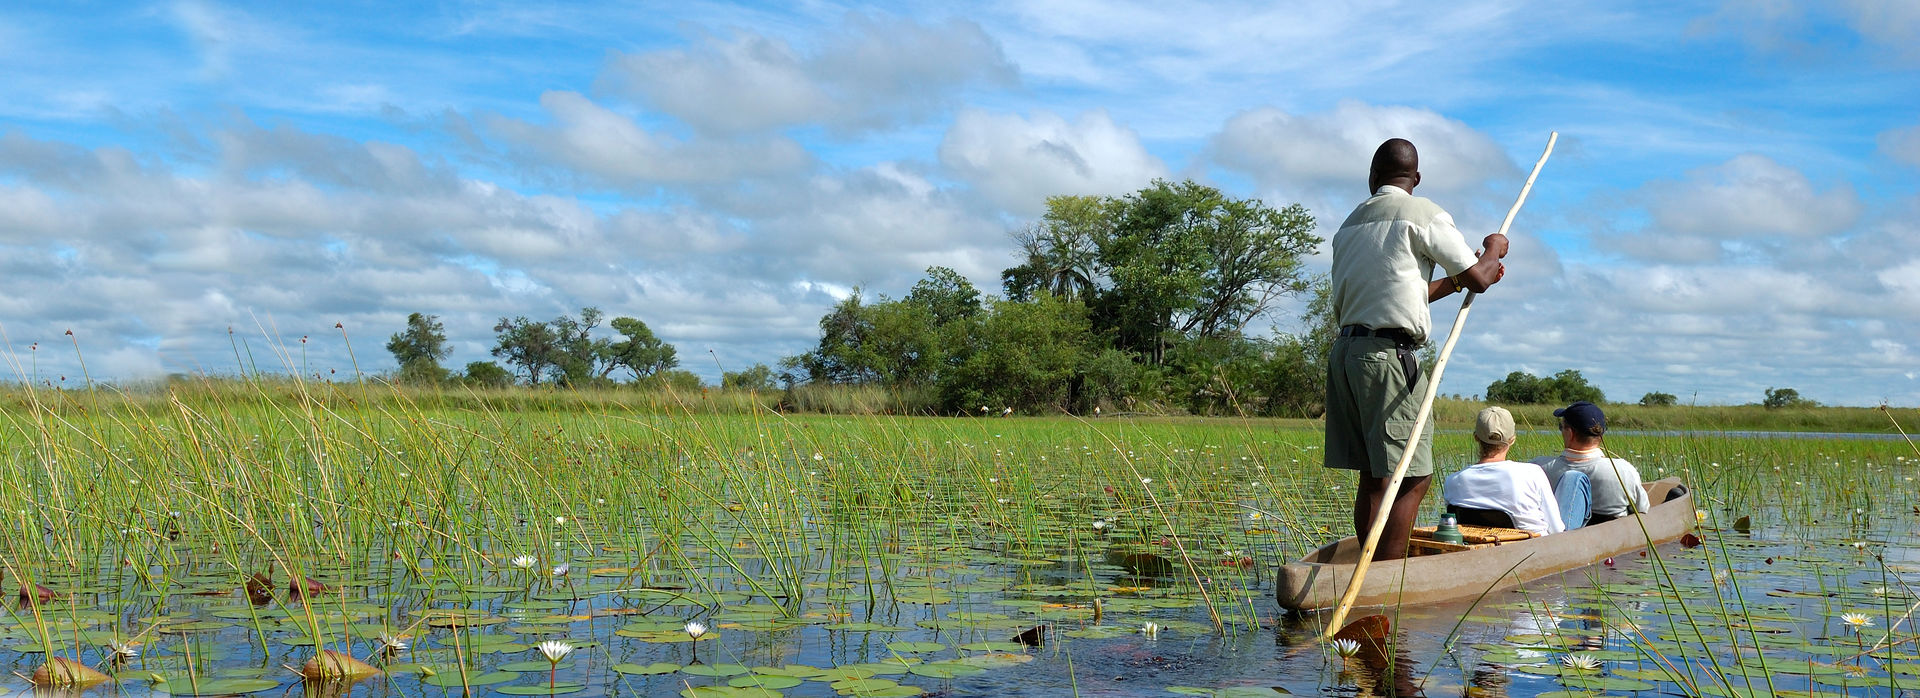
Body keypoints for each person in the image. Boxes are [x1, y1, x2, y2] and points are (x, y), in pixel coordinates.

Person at [1324, 138, 1511, 560]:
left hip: (1347, 355)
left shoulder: (1350, 224)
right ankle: (1388, 574)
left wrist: (1458, 281)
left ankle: (1371, 567)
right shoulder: (1423, 213)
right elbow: (1481, 277)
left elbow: (1406, 294)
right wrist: (1494, 247)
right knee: (1411, 476)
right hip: (1388, 359)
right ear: (1417, 178)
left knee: (1374, 475)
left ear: (1373, 177)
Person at [1443, 407, 1564, 535]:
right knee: (1572, 479)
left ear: (1476, 437)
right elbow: (1556, 529)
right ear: (1512, 439)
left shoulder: (1452, 481)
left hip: (1478, 544)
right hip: (1534, 544)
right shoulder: (1533, 473)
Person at [1533, 401, 1648, 526]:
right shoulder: (1624, 470)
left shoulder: (1538, 468)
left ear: (1570, 433)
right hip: (1613, 534)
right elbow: (1643, 510)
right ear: (1601, 434)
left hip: (1558, 534)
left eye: (1561, 427)